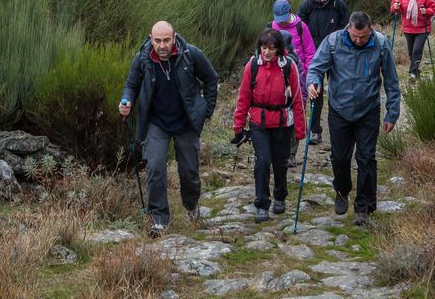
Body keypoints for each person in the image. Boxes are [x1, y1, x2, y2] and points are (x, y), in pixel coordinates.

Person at [119, 20, 219, 237]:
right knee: (154, 168)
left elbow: (211, 79)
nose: (162, 45)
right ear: (150, 38)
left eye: (166, 40)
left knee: (189, 171)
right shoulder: (143, 58)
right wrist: (126, 100)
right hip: (157, 122)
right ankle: (159, 220)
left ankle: (191, 207)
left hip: (186, 122)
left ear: (174, 38)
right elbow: (131, 85)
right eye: (157, 41)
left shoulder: (190, 54)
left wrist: (206, 110)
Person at [306, 11, 401, 227]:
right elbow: (316, 68)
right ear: (348, 29)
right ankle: (342, 190)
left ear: (370, 31)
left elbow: (392, 82)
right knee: (339, 157)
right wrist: (313, 83)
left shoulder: (381, 44)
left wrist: (392, 112)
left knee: (366, 158)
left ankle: (364, 207)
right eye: (355, 36)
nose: (359, 40)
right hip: (339, 109)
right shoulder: (333, 42)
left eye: (363, 37)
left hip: (368, 110)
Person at [232, 28, 306, 222]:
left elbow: (297, 98)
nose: (267, 52)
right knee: (263, 162)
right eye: (264, 47)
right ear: (260, 47)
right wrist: (238, 125)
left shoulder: (289, 67)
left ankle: (280, 195)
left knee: (280, 163)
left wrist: (300, 128)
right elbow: (244, 97)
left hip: (283, 122)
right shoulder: (252, 66)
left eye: (271, 48)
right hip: (259, 122)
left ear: (279, 49)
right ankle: (262, 204)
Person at [297, 0, 350, 144]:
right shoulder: (309, 3)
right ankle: (314, 130)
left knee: (337, 89)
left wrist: (338, 42)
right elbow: (301, 24)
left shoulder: (338, 4)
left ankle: (341, 129)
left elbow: (346, 25)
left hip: (334, 52)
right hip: (315, 53)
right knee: (315, 91)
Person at [390, 0, 435, 81]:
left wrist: (426, 11)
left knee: (417, 50)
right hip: (408, 28)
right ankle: (416, 71)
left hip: (422, 28)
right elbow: (393, 9)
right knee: (411, 52)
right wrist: (396, 7)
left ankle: (412, 73)